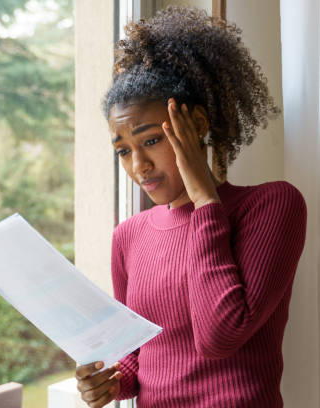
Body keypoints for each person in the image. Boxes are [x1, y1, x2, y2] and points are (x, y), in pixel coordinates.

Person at [75, 6, 307, 408]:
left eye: (150, 141)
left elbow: (220, 336)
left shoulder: (272, 205)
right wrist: (109, 381)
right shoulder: (129, 236)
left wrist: (204, 201)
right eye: (123, 152)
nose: (138, 166)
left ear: (196, 124)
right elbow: (140, 359)